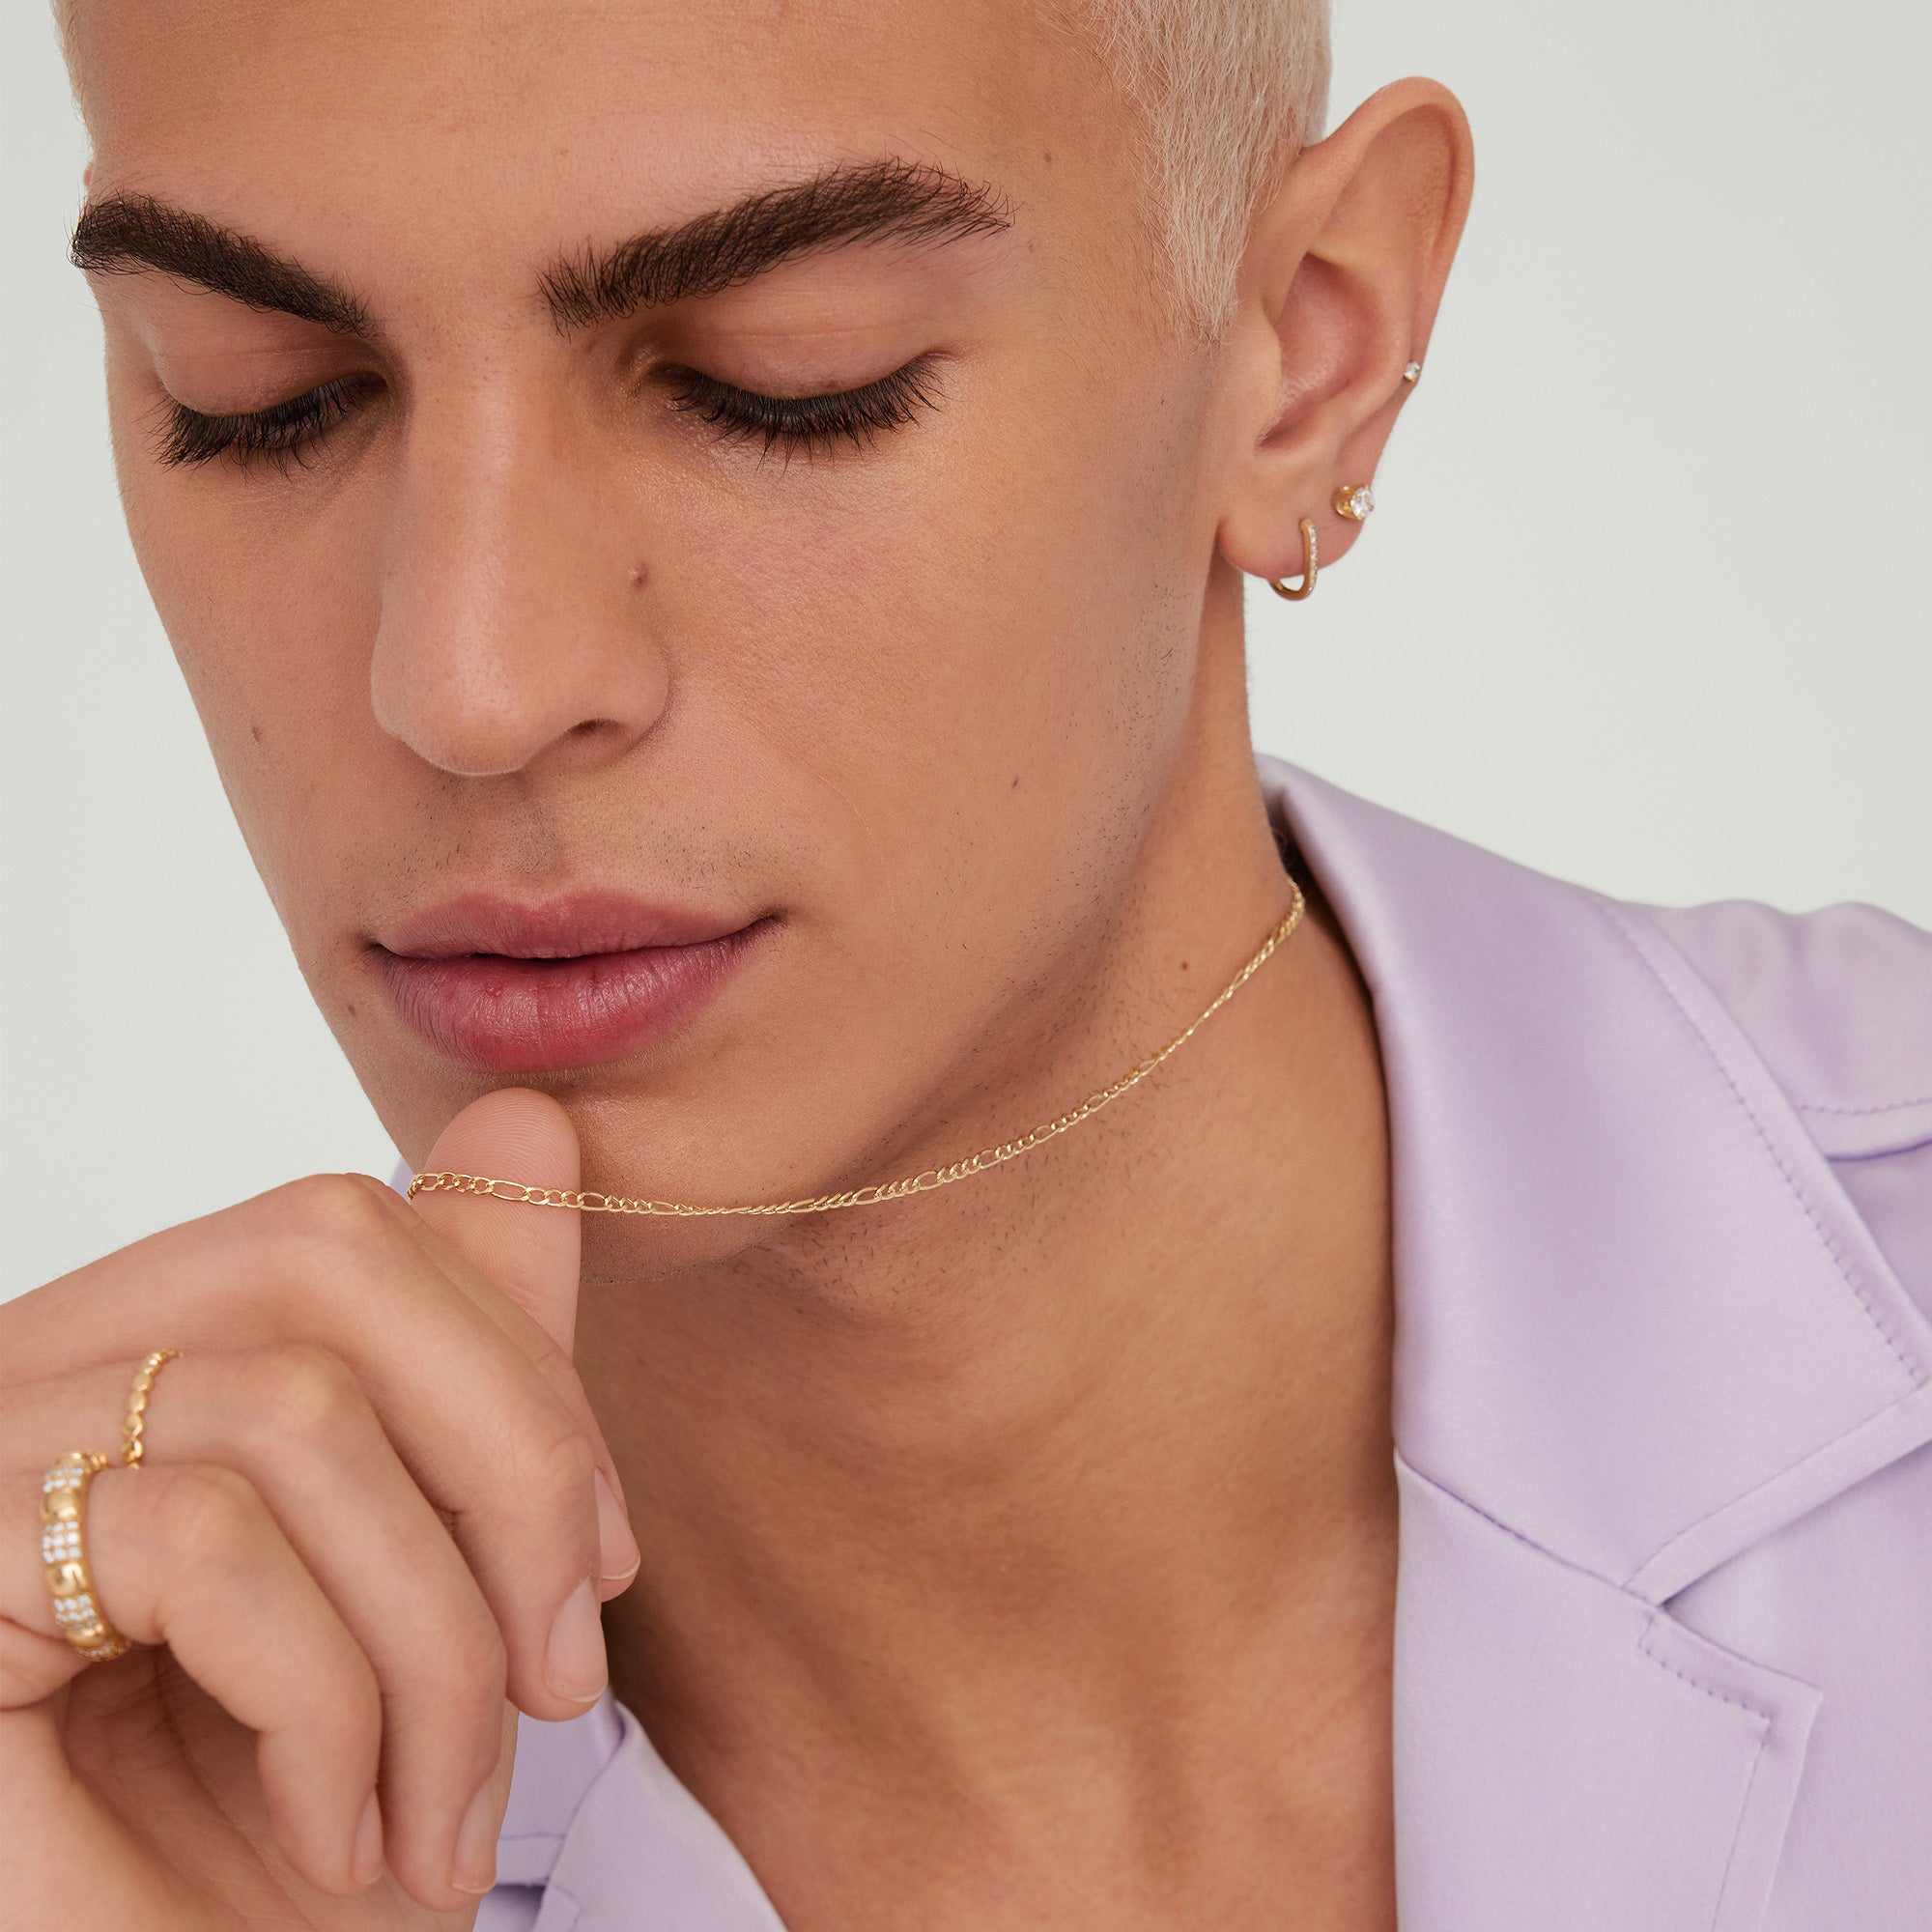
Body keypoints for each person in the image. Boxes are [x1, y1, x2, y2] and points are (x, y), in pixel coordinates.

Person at [4, 1, 1927, 1926]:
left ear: (1305, 352)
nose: (470, 684)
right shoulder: (97, 1773)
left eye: (780, 383)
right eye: (256, 398)